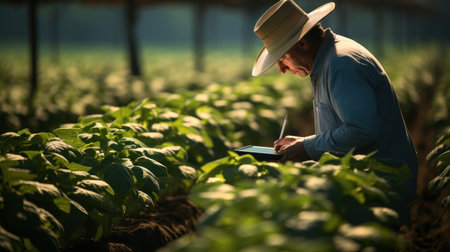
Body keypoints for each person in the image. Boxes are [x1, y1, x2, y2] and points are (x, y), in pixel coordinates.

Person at [252, 0, 417, 197]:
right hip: (365, 182)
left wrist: (307, 147)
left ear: (302, 43)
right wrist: (304, 142)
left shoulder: (342, 64)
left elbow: (361, 130)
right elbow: (347, 127)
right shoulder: (328, 61)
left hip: (378, 186)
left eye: (282, 59)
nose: (282, 69)